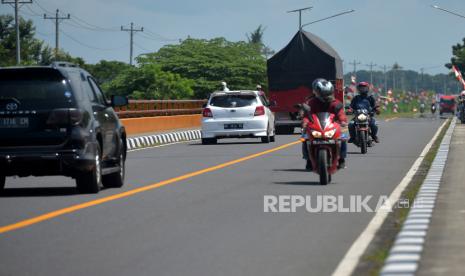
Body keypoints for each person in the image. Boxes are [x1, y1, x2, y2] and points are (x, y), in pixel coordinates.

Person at [302, 78, 348, 169]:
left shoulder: (336, 103)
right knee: (305, 139)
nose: (325, 96)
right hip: (315, 127)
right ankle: (308, 160)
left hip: (331, 127)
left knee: (343, 139)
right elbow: (307, 115)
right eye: (323, 94)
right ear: (317, 92)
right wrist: (305, 122)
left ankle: (342, 159)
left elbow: (341, 114)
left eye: (327, 94)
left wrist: (342, 121)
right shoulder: (312, 103)